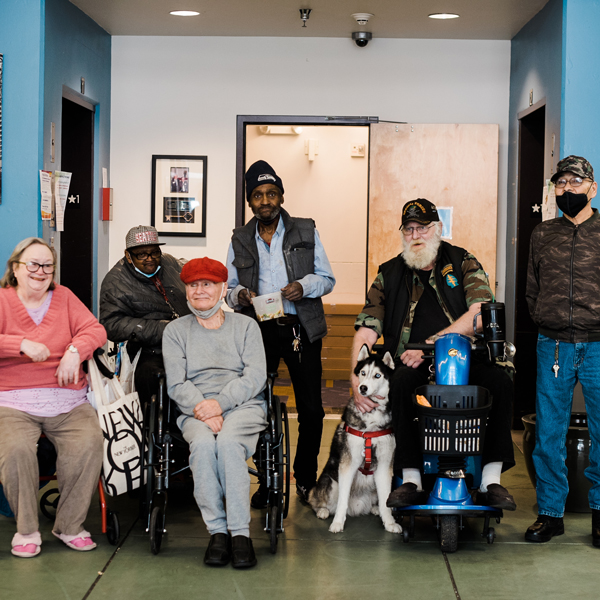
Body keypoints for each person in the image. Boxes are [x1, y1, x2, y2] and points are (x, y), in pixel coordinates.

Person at [351, 199, 516, 510]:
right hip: (408, 363)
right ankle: (411, 478)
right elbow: (367, 326)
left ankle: (491, 479)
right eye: (409, 228)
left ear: (438, 229)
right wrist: (354, 374)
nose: (416, 235)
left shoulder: (462, 261)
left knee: (500, 381)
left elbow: (480, 311)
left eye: (423, 228)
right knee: (399, 384)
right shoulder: (388, 272)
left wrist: (431, 343)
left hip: (464, 358)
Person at [226, 160, 336, 505]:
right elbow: (228, 289)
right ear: (250, 201)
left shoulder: (305, 230)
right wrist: (239, 295)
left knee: (311, 410)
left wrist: (304, 287)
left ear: (282, 196)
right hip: (257, 330)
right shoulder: (240, 238)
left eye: (271, 193)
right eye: (258, 195)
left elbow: (328, 279)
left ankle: (305, 480)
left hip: (299, 328)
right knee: (256, 406)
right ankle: (268, 481)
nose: (265, 200)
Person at [0, 237, 106, 557]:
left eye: (47, 265)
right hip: (13, 401)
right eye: (33, 264)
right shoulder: (3, 301)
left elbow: (96, 330)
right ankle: (27, 530)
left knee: (88, 443)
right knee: (16, 450)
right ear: (16, 268)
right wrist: (19, 344)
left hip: (67, 399)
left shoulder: (64, 298)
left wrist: (76, 350)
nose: (41, 271)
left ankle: (70, 526)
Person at [163, 257, 267, 568]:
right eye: (193, 285)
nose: (200, 290)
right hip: (193, 408)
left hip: (242, 405)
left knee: (229, 443)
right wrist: (203, 409)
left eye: (207, 284)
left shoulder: (246, 326)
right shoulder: (175, 331)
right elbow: (176, 382)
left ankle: (239, 534)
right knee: (205, 445)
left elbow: (255, 375)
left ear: (222, 289)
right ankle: (218, 531)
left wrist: (219, 404)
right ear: (185, 291)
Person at [525, 155, 600, 545]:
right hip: (552, 345)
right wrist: (544, 318)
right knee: (549, 434)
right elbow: (531, 289)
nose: (567, 190)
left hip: (599, 345)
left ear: (592, 188)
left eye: (575, 183)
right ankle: (550, 514)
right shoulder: (543, 233)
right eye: (561, 184)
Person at [99, 225, 189, 406]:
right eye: (142, 255)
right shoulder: (115, 282)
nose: (151, 259)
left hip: (188, 342)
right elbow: (111, 325)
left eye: (155, 252)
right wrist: (162, 328)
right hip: (149, 350)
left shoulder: (169, 262)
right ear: (128, 255)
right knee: (153, 378)